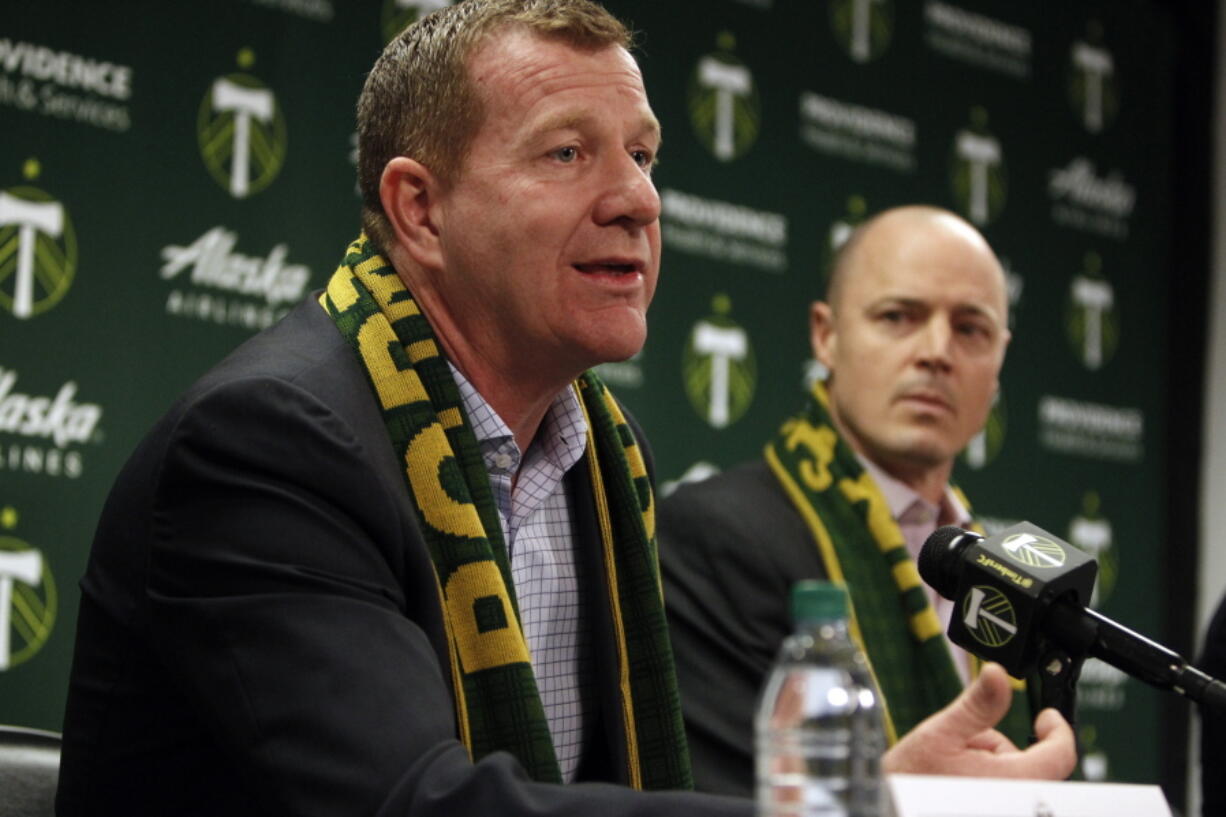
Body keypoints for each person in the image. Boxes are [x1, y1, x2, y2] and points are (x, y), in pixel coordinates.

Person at [55, 5, 1072, 816]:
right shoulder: (269, 445)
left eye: (641, 154)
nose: (636, 198)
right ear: (420, 209)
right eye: (565, 154)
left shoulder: (596, 454)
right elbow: (416, 804)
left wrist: (868, 796)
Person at [660, 205, 1030, 796]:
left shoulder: (1007, 572)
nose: (937, 351)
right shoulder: (715, 536)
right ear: (826, 336)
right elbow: (729, 804)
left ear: (1000, 356)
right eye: (898, 317)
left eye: (970, 329)